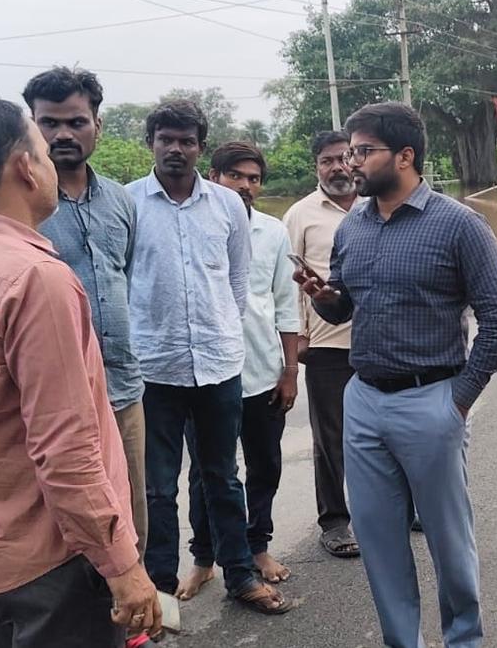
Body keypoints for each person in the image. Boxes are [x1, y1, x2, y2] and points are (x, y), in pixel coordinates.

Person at [0, 98, 160, 645]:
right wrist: (122, 566)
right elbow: (65, 449)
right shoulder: (36, 278)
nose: (49, 165)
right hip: (55, 563)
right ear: (25, 167)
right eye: (43, 153)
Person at [297, 102, 497, 648]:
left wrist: (458, 401)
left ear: (405, 155)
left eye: (363, 151)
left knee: (448, 541)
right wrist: (325, 299)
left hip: (432, 401)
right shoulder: (353, 227)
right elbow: (347, 306)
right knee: (379, 542)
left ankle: (463, 639)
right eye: (349, 151)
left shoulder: (459, 225)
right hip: (363, 401)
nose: (351, 162)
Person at [127, 101, 295, 613]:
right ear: (151, 143)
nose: (176, 149)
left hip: (219, 367)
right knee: (158, 487)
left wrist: (219, 332)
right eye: (166, 139)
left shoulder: (226, 205)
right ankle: (159, 594)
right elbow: (122, 279)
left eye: (187, 141)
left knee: (223, 477)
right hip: (154, 369)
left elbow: (237, 282)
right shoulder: (127, 203)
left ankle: (239, 575)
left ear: (200, 147)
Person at [23, 67, 149, 559]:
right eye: (49, 123)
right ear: (31, 127)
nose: (62, 134)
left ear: (97, 124)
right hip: (54, 400)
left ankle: (134, 602)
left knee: (132, 514)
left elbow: (125, 277)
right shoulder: (20, 203)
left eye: (76, 122)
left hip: (122, 387)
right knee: (65, 527)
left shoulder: (120, 200)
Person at [192, 141, 299, 584]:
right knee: (208, 472)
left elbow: (286, 303)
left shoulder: (273, 232)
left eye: (253, 178)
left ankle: (258, 547)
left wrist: (290, 371)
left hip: (262, 372)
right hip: (206, 374)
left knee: (265, 465)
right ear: (213, 177)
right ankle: (204, 558)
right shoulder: (194, 226)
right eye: (235, 175)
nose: (244, 185)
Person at [282, 130, 363, 558]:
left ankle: (399, 508)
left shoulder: (376, 203)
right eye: (326, 161)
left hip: (379, 342)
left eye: (343, 158)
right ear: (316, 167)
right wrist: (299, 335)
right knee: (331, 437)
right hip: (327, 344)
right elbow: (289, 281)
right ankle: (334, 520)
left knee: (388, 430)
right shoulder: (300, 214)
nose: (337, 167)